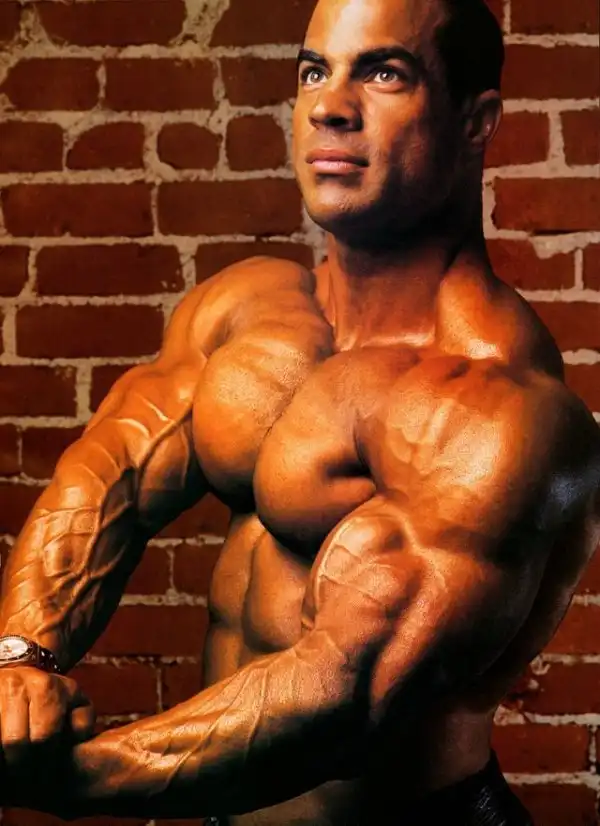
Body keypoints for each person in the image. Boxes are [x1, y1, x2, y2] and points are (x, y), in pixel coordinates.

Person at [0, 0, 598, 823]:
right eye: (315, 71)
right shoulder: (248, 311)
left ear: (476, 120)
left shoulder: (503, 405)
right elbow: (115, 476)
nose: (329, 106)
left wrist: (70, 780)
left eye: (384, 73)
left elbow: (350, 691)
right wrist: (21, 661)